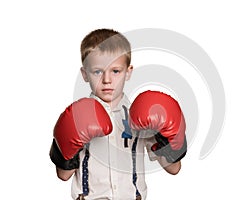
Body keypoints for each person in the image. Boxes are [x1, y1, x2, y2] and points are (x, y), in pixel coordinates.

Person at [49, 28, 187, 200]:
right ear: (85, 74)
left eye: (115, 71)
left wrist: (169, 137)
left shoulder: (141, 116)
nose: (107, 80)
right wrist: (65, 144)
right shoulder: (77, 117)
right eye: (97, 71)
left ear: (128, 72)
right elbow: (64, 175)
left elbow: (174, 169)